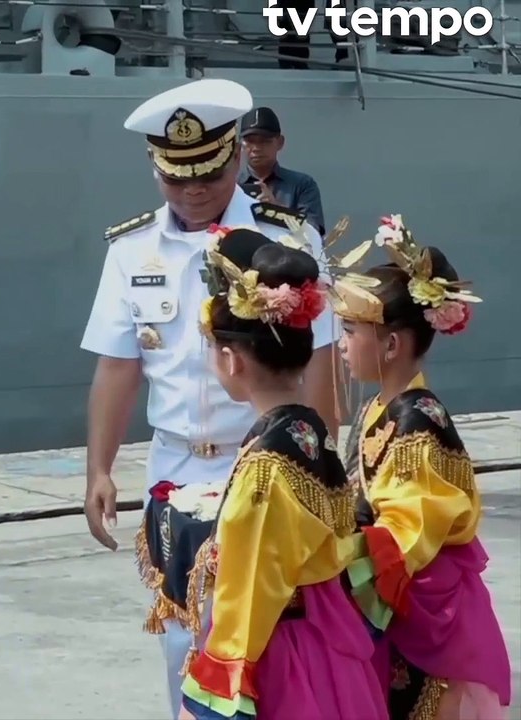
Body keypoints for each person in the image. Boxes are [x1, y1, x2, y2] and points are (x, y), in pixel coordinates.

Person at [79, 77, 340, 717]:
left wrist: (320, 465)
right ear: (155, 169)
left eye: (208, 172)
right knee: (179, 639)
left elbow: (324, 366)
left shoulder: (290, 243)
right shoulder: (130, 250)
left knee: (269, 631)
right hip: (175, 466)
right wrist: (99, 470)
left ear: (233, 157)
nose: (194, 189)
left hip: (268, 464)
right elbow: (118, 367)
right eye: (177, 176)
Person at [177, 233, 386, 720]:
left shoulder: (266, 466)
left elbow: (248, 594)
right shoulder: (309, 432)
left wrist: (207, 701)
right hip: (330, 646)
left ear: (231, 359)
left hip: (283, 655)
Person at [335, 215, 511, 719]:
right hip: (393, 596)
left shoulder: (418, 423)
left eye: (351, 332)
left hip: (415, 610)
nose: (343, 345)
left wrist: (325, 550)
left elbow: (406, 534)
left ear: (391, 344)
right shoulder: (378, 409)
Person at [238, 107, 326, 235]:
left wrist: (277, 210)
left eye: (264, 141)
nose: (256, 148)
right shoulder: (230, 186)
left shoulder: (302, 184)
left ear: (280, 142)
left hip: (288, 254)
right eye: (250, 141)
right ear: (241, 145)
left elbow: (314, 232)